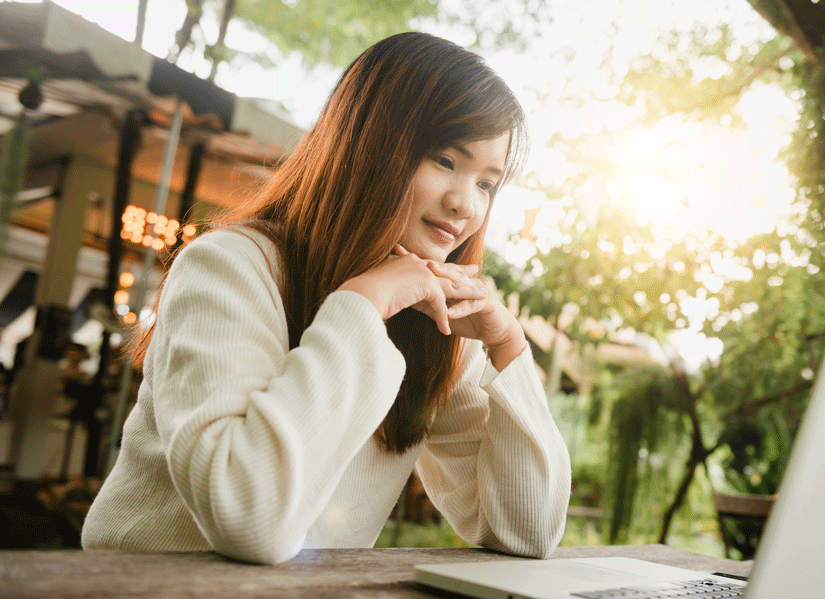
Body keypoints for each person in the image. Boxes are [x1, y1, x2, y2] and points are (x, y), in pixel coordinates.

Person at [82, 32, 572, 565]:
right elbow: (248, 519)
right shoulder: (228, 267)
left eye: (487, 184)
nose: (464, 205)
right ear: (370, 146)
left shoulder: (434, 320)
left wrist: (508, 347)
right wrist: (363, 304)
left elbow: (528, 533)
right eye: (445, 160)